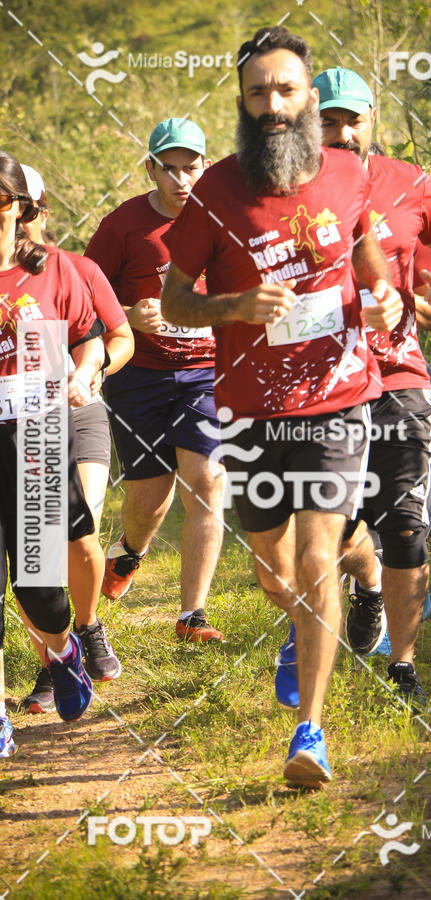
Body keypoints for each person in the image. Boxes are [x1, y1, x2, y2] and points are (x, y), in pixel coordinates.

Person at [161, 26, 403, 787]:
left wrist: (385, 292)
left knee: (314, 554)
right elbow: (174, 301)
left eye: (287, 91)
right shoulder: (216, 192)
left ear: (309, 98)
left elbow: (368, 253)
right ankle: (332, 598)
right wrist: (235, 302)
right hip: (249, 409)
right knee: (273, 571)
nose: (273, 105)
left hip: (337, 394)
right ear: (241, 98)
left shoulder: (347, 172)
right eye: (259, 91)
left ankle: (311, 734)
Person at [311, 67, 431, 706]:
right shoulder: (287, 191)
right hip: (323, 384)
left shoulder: (407, 180)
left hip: (400, 377)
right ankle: (367, 583)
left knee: (405, 528)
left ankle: (403, 670)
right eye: (328, 119)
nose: (343, 131)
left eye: (353, 118)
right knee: (334, 525)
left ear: (372, 117)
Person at [85, 118, 226, 644]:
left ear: (205, 167)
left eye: (192, 167)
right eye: (170, 168)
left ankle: (193, 617)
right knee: (151, 498)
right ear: (150, 168)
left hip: (205, 373)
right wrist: (129, 314)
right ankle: (130, 551)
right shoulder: (122, 227)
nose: (182, 179)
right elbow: (84, 309)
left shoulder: (222, 221)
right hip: (139, 376)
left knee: (207, 481)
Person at [18, 165, 134, 714]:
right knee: (34, 547)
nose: (27, 221)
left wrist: (90, 375)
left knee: (78, 531)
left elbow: (118, 338)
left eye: (32, 210)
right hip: (20, 425)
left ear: (40, 212)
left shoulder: (76, 269)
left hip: (79, 413)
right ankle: (53, 662)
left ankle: (86, 628)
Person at [0, 151, 105, 754]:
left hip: (36, 437)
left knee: (38, 591)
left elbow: (91, 341)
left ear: (11, 208)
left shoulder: (52, 273)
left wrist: (82, 374)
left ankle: (64, 650)